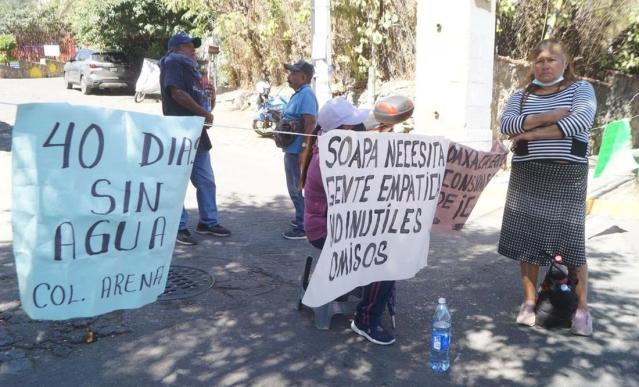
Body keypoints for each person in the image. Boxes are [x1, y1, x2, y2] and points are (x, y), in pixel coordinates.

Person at [499, 39, 597, 336]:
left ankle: (582, 309)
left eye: (552, 59)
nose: (544, 65)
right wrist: (551, 116)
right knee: (527, 242)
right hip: (528, 174)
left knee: (571, 244)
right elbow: (506, 125)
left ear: (565, 63)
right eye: (539, 60)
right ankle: (529, 303)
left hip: (568, 175)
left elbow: (580, 120)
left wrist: (529, 133)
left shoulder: (581, 89)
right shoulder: (521, 94)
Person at [300, 97, 396, 345]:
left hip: (338, 222)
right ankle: (365, 320)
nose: (356, 130)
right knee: (385, 257)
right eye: (351, 127)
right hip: (325, 230)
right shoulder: (328, 160)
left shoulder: (331, 143)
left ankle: (360, 288)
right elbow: (356, 197)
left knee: (387, 239)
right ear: (340, 131)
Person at [160, 32, 231, 245]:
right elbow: (177, 94)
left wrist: (212, 96)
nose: (193, 49)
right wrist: (203, 113)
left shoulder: (192, 69)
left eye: (193, 46)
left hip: (198, 133)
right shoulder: (172, 62)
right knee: (178, 181)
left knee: (206, 180)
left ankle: (208, 222)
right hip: (180, 131)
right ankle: (178, 226)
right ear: (176, 48)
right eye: (188, 46)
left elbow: (206, 105)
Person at [280, 60, 318, 240]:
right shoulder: (299, 94)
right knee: (295, 185)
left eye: (293, 74)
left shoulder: (306, 94)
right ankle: (300, 217)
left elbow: (310, 123)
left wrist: (305, 148)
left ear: (303, 77)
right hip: (291, 148)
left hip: (297, 150)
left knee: (296, 187)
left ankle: (303, 225)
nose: (289, 77)